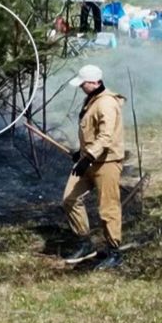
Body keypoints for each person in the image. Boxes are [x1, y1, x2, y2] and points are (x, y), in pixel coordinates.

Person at [63, 64, 125, 270]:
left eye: (83, 84)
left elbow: (105, 137)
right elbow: (91, 133)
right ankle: (85, 241)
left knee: (108, 209)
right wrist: (81, 154)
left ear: (95, 83)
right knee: (70, 199)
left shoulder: (106, 103)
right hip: (88, 160)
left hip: (106, 163)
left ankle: (114, 252)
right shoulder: (91, 99)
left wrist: (87, 157)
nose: (81, 88)